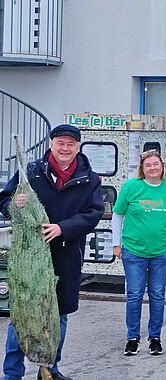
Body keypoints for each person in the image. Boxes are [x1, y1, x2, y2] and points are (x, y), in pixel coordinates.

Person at [0, 124, 104, 380]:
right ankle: (12, 372)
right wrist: (16, 203)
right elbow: (4, 200)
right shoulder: (32, 171)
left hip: (65, 255)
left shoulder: (89, 178)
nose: (65, 148)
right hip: (29, 256)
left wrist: (62, 228)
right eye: (60, 143)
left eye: (71, 144)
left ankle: (49, 368)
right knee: (22, 315)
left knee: (59, 315)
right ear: (51, 144)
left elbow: (93, 214)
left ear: (78, 147)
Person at [111, 150, 166, 356]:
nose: (152, 168)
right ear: (142, 169)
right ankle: (133, 338)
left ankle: (155, 338)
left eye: (156, 164)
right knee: (134, 294)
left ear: (162, 166)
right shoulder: (131, 187)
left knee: (157, 295)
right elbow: (117, 216)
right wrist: (116, 244)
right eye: (148, 165)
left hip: (162, 251)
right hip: (134, 251)